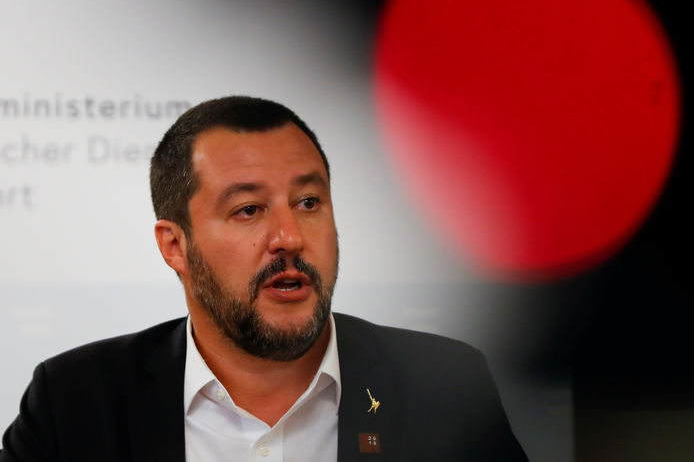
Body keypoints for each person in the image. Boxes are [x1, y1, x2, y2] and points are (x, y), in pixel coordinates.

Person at [0, 96, 527, 461]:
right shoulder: (75, 402)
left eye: (308, 202)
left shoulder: (445, 386)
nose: (289, 236)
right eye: (249, 210)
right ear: (175, 246)